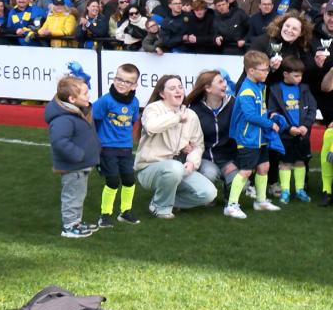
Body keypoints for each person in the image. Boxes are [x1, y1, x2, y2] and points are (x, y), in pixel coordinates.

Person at [134, 75, 218, 219]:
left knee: (209, 193)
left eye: (180, 87)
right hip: (149, 168)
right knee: (174, 168)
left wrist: (192, 162)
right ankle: (161, 208)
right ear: (162, 93)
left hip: (178, 169)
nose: (178, 91)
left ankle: (166, 200)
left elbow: (198, 145)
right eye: (172, 88)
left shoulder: (190, 115)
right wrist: (177, 118)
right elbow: (151, 126)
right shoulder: (153, 108)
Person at [226, 51, 283, 214]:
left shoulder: (257, 86)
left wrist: (270, 114)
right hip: (248, 138)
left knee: (264, 166)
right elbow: (251, 115)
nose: (267, 73)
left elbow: (259, 110)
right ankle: (231, 205)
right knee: (246, 171)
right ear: (251, 71)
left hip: (259, 137)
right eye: (264, 70)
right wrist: (270, 124)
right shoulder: (246, 91)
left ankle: (260, 201)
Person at [46, 75, 101, 238]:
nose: (89, 96)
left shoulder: (77, 112)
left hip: (79, 165)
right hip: (73, 166)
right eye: (85, 93)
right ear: (72, 99)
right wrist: (78, 155)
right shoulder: (64, 119)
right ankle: (69, 226)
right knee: (73, 196)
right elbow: (59, 141)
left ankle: (76, 222)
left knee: (78, 195)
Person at [184, 70, 242, 216]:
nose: (225, 84)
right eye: (220, 82)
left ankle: (228, 195)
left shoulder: (234, 104)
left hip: (228, 157)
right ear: (208, 88)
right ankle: (208, 194)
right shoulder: (194, 109)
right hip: (206, 157)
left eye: (224, 81)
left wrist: (236, 162)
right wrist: (187, 144)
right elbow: (187, 134)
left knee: (238, 179)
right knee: (209, 173)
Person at [93, 64, 141, 228]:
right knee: (112, 181)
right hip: (107, 148)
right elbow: (93, 118)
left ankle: (125, 211)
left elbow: (132, 121)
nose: (121, 83)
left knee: (129, 179)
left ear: (134, 85)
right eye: (119, 79)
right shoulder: (105, 100)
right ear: (114, 79)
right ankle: (105, 214)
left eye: (127, 82)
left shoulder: (134, 102)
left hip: (126, 149)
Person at [268, 57, 318, 205]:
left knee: (300, 162)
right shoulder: (275, 90)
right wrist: (288, 128)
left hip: (302, 134)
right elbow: (273, 113)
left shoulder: (304, 89)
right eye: (296, 75)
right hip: (286, 135)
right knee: (285, 163)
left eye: (301, 75)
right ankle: (285, 191)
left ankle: (300, 190)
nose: (299, 78)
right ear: (285, 74)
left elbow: (312, 109)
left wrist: (305, 126)